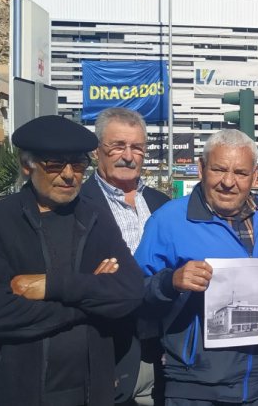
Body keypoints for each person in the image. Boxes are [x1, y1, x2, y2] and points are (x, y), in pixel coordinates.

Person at [0, 115, 145, 406]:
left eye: (77, 165)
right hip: (15, 392)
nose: (68, 174)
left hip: (90, 393)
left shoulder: (95, 218)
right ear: (27, 166)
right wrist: (90, 302)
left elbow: (130, 291)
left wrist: (53, 286)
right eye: (54, 164)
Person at [134, 129, 258, 406]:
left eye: (240, 173)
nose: (228, 182)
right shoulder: (167, 221)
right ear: (201, 168)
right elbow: (133, 293)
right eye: (219, 169)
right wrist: (170, 282)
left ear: (254, 175)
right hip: (195, 388)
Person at [80, 108, 171, 406]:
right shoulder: (78, 205)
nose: (128, 156)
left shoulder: (162, 205)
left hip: (160, 349)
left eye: (137, 148)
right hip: (106, 348)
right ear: (97, 151)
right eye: (118, 146)